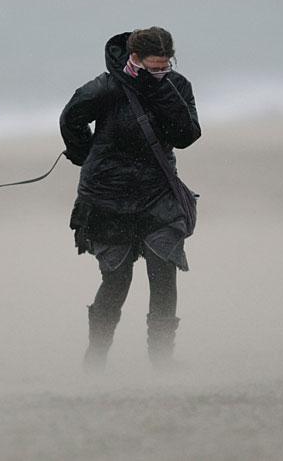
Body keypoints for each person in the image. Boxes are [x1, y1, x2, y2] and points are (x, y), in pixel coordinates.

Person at [59, 27, 201, 371]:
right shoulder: (105, 88)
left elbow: (187, 135)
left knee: (164, 272)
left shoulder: (176, 85)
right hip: (108, 196)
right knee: (117, 280)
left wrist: (161, 87)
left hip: (158, 193)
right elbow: (70, 119)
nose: (160, 73)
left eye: (165, 67)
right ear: (134, 59)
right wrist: (86, 155)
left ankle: (161, 361)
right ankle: (96, 357)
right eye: (153, 68)